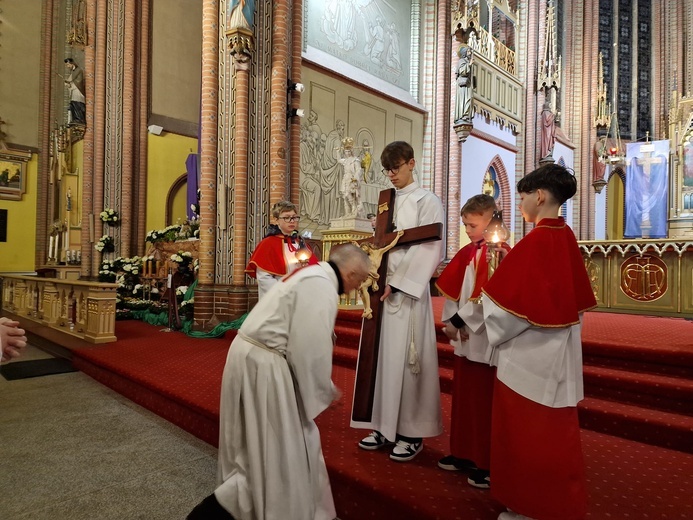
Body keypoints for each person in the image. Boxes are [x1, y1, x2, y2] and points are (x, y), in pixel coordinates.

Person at [188, 244, 371, 520]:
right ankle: (222, 512)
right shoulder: (321, 286)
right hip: (265, 364)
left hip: (253, 356)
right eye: (362, 279)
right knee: (279, 448)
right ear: (352, 271)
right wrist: (324, 390)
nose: (360, 287)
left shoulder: (312, 275)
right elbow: (310, 345)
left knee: (258, 446)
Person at [480, 164, 597, 520]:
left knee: (527, 435)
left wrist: (495, 292)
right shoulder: (564, 236)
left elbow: (507, 312)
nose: (521, 203)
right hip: (557, 354)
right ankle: (551, 503)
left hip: (528, 359)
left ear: (540, 196)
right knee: (552, 436)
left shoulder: (536, 240)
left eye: (523, 196)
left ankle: (529, 507)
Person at [351, 140, 445, 462]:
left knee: (406, 363)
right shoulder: (384, 204)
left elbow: (431, 247)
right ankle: (381, 425)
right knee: (380, 361)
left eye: (397, 167)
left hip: (406, 295)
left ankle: (409, 432)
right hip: (379, 292)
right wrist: (371, 275)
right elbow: (377, 245)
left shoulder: (426, 201)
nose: (391, 174)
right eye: (387, 169)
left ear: (412, 163)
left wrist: (399, 284)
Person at [434, 194, 509, 489]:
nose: (468, 230)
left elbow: (490, 296)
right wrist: (451, 323)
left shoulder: (500, 253)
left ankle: (486, 462)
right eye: (465, 225)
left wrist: (460, 321)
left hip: (484, 337)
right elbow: (456, 292)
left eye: (473, 224)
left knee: (483, 401)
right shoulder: (469, 251)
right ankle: (464, 452)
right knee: (464, 398)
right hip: (465, 338)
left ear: (492, 218)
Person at [245, 201, 318, 300]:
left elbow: (313, 270)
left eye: (294, 217)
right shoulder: (267, 244)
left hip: (300, 296)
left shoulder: (301, 243)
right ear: (276, 220)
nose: (292, 221)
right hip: (278, 298)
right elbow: (264, 278)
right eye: (287, 217)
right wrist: (285, 292)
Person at [64, 58, 86, 125]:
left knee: (77, 104)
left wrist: (70, 84)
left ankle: (79, 119)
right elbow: (70, 80)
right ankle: (76, 119)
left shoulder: (78, 70)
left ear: (72, 63)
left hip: (78, 90)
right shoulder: (73, 71)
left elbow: (78, 81)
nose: (67, 66)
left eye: (68, 64)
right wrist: (67, 83)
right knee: (73, 104)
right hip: (74, 91)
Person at [455, 46, 473, 123]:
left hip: (468, 85)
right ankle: (463, 115)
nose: (470, 53)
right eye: (468, 51)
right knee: (465, 99)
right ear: (464, 53)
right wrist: (469, 65)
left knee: (469, 99)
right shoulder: (461, 61)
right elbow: (462, 71)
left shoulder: (468, 61)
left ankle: (467, 115)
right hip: (463, 86)